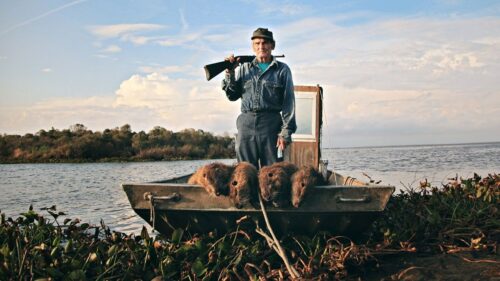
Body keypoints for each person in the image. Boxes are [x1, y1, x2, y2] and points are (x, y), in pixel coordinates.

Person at [222, 27, 296, 169]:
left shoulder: (282, 70)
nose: (261, 46)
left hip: (271, 125)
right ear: (253, 46)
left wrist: (285, 133)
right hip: (246, 123)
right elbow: (232, 95)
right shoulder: (244, 68)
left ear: (272, 46)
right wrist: (229, 72)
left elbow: (289, 104)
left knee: (272, 174)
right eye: (257, 43)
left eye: (265, 43)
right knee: (246, 171)